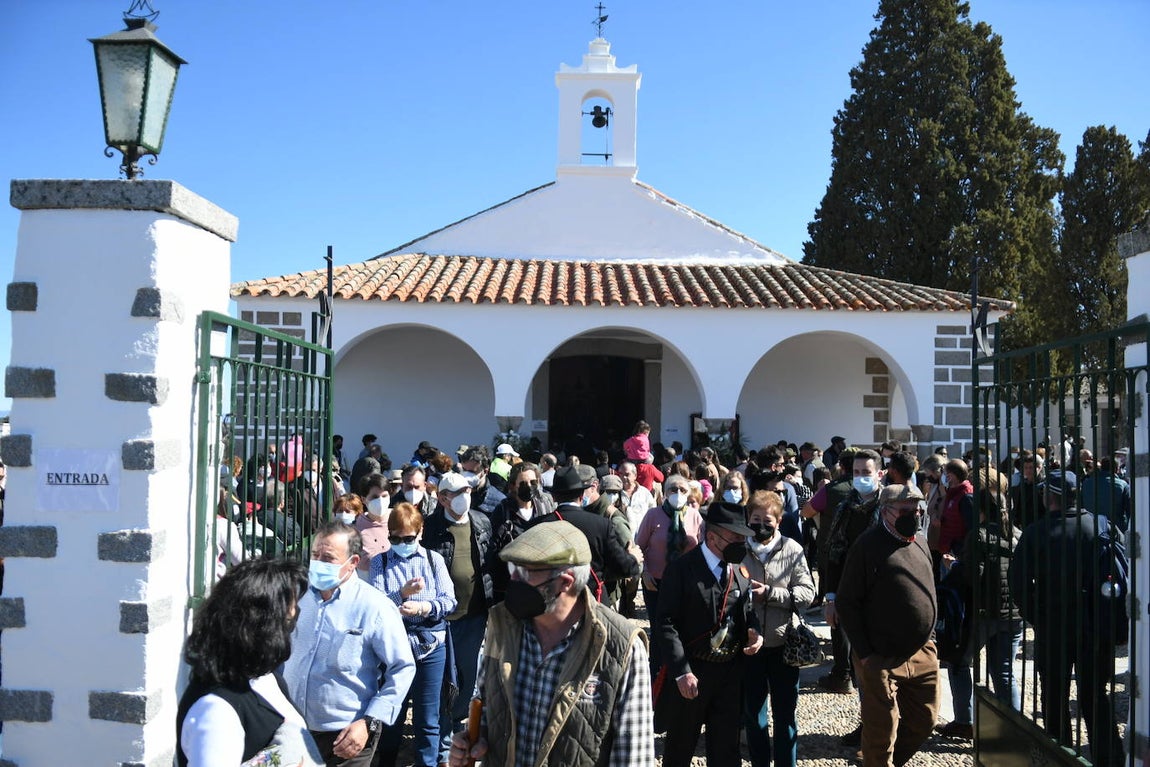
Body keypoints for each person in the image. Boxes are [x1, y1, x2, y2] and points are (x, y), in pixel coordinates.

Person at [448, 520, 654, 767]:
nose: (513, 578)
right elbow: (488, 707)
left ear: (565, 581)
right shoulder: (502, 624)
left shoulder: (622, 646)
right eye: (514, 567)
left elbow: (633, 758)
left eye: (525, 572)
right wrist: (475, 741)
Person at [1009, 470, 1123, 766]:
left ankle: (1060, 755)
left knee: (1055, 698)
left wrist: (1037, 616)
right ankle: (1107, 758)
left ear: (1050, 498)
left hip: (1054, 626)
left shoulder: (1036, 532)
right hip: (1096, 625)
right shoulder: (1101, 526)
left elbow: (1019, 583)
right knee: (1096, 696)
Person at [283, 522, 417, 767]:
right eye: (315, 556)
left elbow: (403, 667)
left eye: (328, 558)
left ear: (354, 562)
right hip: (293, 731)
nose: (318, 563)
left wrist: (370, 721)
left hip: (347, 737)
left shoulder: (374, 607)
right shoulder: (298, 597)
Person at [177, 558, 323, 767]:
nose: (293, 627)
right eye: (289, 619)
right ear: (262, 625)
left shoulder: (268, 680)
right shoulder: (215, 710)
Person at [836, 484, 940, 767]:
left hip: (921, 651)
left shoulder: (919, 542)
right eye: (905, 510)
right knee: (881, 729)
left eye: (917, 510)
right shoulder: (867, 546)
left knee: (925, 720)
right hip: (879, 655)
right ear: (886, 511)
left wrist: (929, 636)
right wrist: (866, 653)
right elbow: (846, 602)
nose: (914, 515)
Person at [653, 500, 763, 767]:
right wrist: (681, 671)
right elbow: (666, 622)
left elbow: (746, 611)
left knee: (726, 749)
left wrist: (755, 632)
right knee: (680, 747)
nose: (742, 544)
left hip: (729, 673)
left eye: (743, 538)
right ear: (712, 536)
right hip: (693, 670)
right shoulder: (682, 569)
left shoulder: (740, 569)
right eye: (736, 538)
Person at [369, 502, 457, 767]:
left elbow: (449, 600)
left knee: (428, 717)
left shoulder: (433, 560)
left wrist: (425, 607)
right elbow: (376, 604)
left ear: (420, 532)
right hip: (393, 649)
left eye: (407, 538)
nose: (401, 543)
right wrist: (401, 595)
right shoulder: (380, 561)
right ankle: (387, 760)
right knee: (391, 713)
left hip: (430, 646)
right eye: (394, 538)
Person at [422, 471, 495, 765]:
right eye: (457, 491)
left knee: (466, 678)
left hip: (474, 615)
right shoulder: (431, 528)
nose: (465, 495)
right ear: (442, 498)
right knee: (443, 681)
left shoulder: (481, 522)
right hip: (441, 620)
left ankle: (457, 731)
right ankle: (441, 744)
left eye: (468, 489)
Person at [742, 491, 815, 767]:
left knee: (785, 715)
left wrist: (772, 594)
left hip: (784, 644)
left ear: (779, 520)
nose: (761, 524)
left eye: (767, 519)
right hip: (749, 646)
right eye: (755, 518)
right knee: (754, 714)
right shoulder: (739, 550)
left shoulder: (792, 550)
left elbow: (807, 594)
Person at [820, 448, 884, 695]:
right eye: (856, 472)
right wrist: (831, 597)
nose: (861, 477)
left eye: (866, 472)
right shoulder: (845, 508)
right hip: (850, 592)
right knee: (860, 664)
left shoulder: (890, 509)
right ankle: (866, 725)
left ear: (879, 474)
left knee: (878, 668)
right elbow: (834, 554)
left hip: (879, 596)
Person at [527, 465, 640, 603]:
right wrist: (632, 557)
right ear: (581, 495)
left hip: (552, 600)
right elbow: (624, 567)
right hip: (590, 602)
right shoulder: (601, 525)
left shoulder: (538, 525)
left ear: (554, 496)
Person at [636, 474, 706, 661]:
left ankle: (678, 670)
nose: (677, 493)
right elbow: (638, 547)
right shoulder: (653, 515)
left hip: (686, 583)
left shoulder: (695, 516)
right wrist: (645, 572)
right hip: (656, 583)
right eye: (673, 489)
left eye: (682, 490)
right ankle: (656, 673)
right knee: (659, 631)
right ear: (665, 493)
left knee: (682, 628)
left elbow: (702, 549)